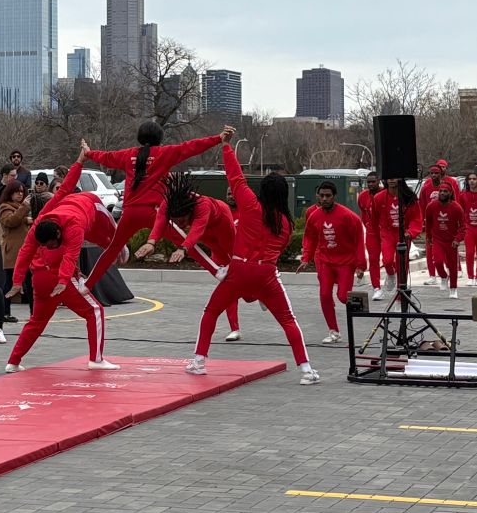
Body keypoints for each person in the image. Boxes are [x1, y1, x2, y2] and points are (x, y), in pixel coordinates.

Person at [186, 129, 319, 385]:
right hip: (266, 273)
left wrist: (226, 146)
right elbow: (277, 252)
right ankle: (306, 370)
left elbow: (235, 177)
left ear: (263, 191)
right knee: (288, 321)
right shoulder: (286, 224)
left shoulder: (249, 205)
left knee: (211, 311)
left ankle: (199, 362)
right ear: (284, 195)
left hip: (238, 269)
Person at [4, 151, 120, 372]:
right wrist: (64, 279)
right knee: (95, 311)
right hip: (58, 277)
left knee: (36, 322)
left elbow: (26, 253)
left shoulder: (42, 219)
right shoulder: (69, 226)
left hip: (40, 278)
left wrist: (18, 281)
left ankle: (13, 362)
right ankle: (96, 359)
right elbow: (68, 255)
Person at [81, 122, 225, 290]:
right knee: (184, 242)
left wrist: (89, 152)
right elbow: (192, 147)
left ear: (140, 138)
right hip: (154, 212)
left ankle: (87, 286)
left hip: (129, 213)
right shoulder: (164, 153)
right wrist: (218, 139)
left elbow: (106, 157)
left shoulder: (128, 155)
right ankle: (217, 271)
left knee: (112, 250)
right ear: (160, 138)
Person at [136, 172, 241, 341]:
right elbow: (160, 220)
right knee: (227, 280)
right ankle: (235, 327)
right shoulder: (167, 205)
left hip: (221, 223)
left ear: (189, 210)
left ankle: (258, 292)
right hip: (208, 235)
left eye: (182, 221)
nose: (180, 225)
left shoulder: (202, 205)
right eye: (176, 221)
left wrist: (184, 249)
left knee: (239, 267)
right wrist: (151, 242)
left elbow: (196, 229)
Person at [298, 181, 366, 345]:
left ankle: (362, 306)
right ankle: (334, 331)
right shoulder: (314, 216)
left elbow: (358, 241)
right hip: (325, 261)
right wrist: (306, 258)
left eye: (328, 196)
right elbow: (309, 238)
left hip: (345, 261)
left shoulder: (349, 217)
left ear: (334, 196)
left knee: (343, 297)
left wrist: (360, 265)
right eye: (322, 196)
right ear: (318, 196)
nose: (324, 199)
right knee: (324, 294)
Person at [373, 179, 422, 291]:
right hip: (388, 233)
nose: (391, 180)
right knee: (387, 260)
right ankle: (390, 274)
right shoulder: (378, 198)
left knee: (402, 265)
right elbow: (375, 217)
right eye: (389, 177)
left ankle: (400, 296)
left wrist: (411, 232)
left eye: (394, 177)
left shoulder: (409, 198)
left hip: (404, 234)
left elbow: (416, 218)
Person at [425, 181, 465, 299]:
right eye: (440, 191)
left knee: (453, 266)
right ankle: (443, 276)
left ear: (450, 193)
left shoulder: (456, 208)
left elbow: (463, 227)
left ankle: (453, 289)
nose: (442, 193)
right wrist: (428, 237)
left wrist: (457, 239)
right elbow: (428, 224)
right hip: (437, 239)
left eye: (445, 191)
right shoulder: (431, 206)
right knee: (437, 261)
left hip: (451, 241)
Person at [0, 180, 31, 321]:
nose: (20, 194)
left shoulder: (21, 207)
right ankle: (5, 312)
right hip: (12, 252)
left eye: (22, 191)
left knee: (30, 283)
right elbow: (11, 221)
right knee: (10, 283)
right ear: (10, 192)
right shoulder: (4, 207)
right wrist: (24, 209)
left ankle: (34, 312)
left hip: (25, 251)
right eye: (17, 191)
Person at [357, 171, 383, 300]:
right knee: (373, 260)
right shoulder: (362, 197)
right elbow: (363, 213)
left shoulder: (385, 193)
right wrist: (367, 225)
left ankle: (391, 274)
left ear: (379, 181)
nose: (371, 184)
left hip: (386, 231)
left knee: (390, 260)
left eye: (373, 181)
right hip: (372, 232)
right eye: (369, 182)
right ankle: (376, 288)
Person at [419, 165, 446, 285]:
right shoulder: (425, 188)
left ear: (440, 174)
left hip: (444, 221)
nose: (434, 175)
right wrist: (422, 222)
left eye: (436, 173)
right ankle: (432, 275)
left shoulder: (445, 187)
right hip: (430, 223)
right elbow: (422, 206)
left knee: (445, 248)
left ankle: (446, 272)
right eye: (431, 173)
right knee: (429, 249)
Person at [460, 172, 477, 287]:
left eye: (474, 179)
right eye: (470, 179)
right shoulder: (463, 195)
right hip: (469, 227)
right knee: (470, 252)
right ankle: (470, 277)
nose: (472, 181)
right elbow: (459, 212)